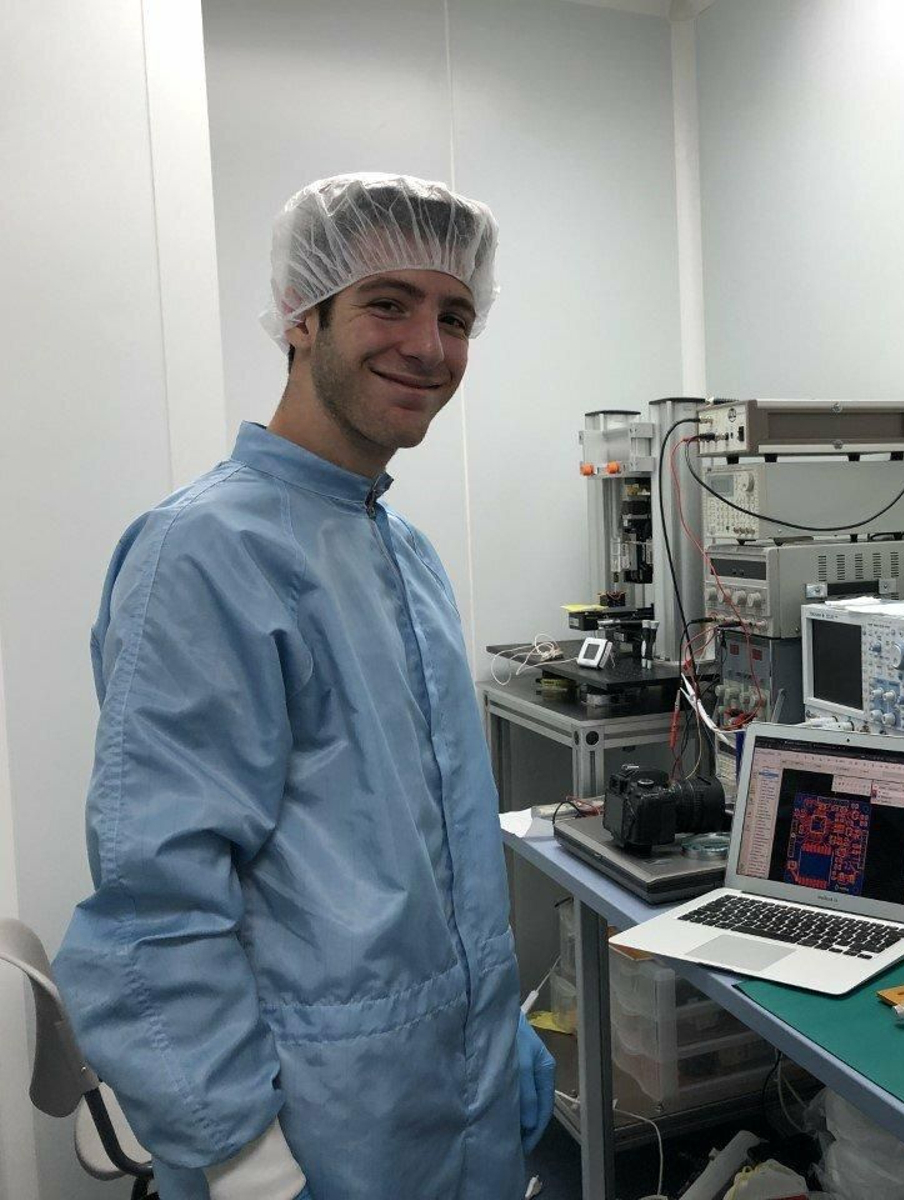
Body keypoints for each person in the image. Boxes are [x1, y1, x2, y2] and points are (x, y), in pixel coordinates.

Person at [54, 174, 554, 1200]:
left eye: (454, 315)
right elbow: (157, 903)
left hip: (452, 1102)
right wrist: (242, 1156)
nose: (427, 346)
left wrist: (496, 1028)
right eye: (387, 302)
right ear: (300, 314)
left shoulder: (401, 550)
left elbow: (431, 861)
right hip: (319, 1127)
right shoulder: (203, 553)